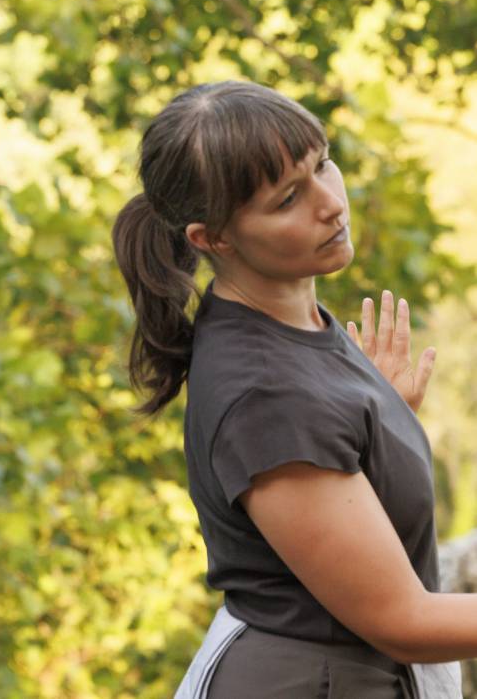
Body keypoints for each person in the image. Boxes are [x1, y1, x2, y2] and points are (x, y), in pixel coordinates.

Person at [113, 80, 465, 697]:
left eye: (323, 163)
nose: (331, 203)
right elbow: (401, 622)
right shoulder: (269, 394)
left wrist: (379, 425)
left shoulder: (287, 325)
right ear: (212, 239)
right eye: (287, 199)